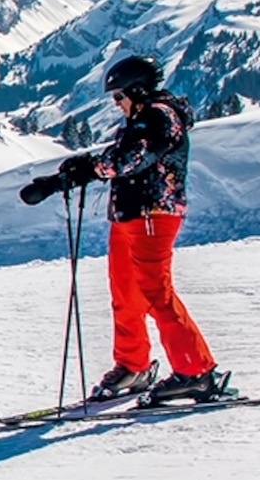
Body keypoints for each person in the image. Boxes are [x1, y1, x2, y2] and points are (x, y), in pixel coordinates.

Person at [72, 55, 226, 403]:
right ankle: (133, 365)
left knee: (156, 293)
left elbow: (134, 158)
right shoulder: (140, 118)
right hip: (128, 215)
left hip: (152, 214)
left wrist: (88, 168)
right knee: (125, 293)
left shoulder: (160, 116)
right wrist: (80, 169)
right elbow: (122, 157)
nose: (116, 103)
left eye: (119, 96)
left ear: (138, 90)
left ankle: (195, 371)